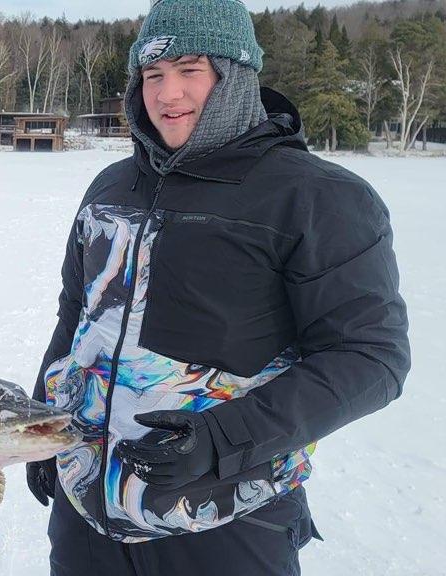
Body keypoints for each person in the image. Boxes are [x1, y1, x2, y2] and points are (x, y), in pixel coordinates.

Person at [25, 1, 411, 574]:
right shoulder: (111, 187)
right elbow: (77, 315)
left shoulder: (318, 198)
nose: (167, 94)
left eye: (189, 71)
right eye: (152, 75)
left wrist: (221, 440)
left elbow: (371, 358)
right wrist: (41, 426)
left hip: (224, 520)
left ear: (235, 77)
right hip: (87, 516)